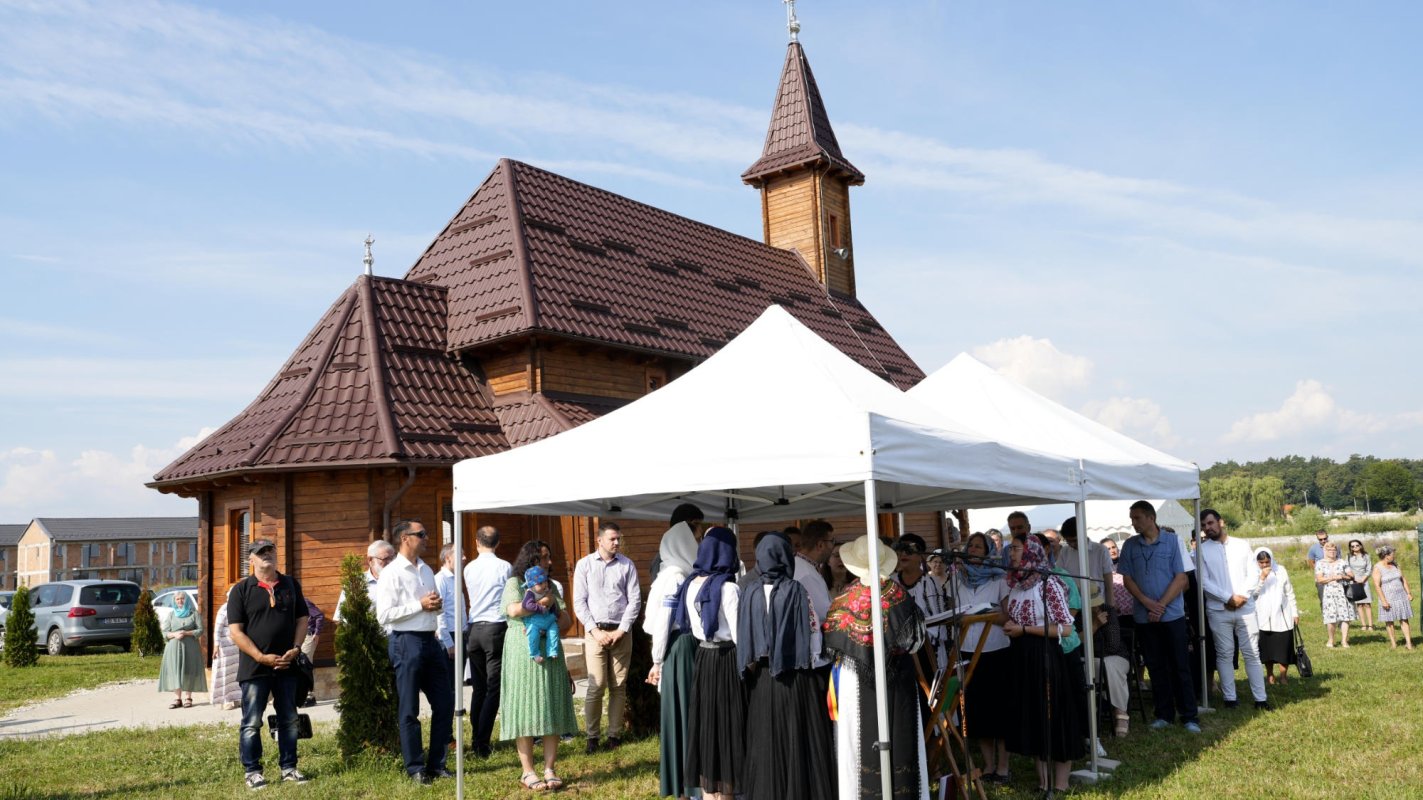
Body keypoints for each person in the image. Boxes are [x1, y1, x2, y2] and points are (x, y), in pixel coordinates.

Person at [823, 534, 928, 800]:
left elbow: (831, 642)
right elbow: (916, 640)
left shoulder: (844, 599)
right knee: (901, 739)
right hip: (897, 676)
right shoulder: (900, 596)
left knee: (856, 745)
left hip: (854, 677)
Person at [738, 531, 833, 800]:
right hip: (796, 677)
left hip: (763, 679)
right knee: (798, 740)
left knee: (767, 740)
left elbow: (744, 637)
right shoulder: (795, 590)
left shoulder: (750, 592)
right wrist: (817, 662)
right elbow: (812, 634)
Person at [1002, 537, 1084, 796]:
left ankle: (1060, 784)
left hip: (1045, 654)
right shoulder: (1015, 584)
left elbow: (1066, 626)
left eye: (1016, 548)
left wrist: (1025, 629)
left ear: (1030, 552)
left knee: (1054, 714)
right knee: (1033, 714)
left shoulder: (1049, 584)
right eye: (1011, 548)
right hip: (1021, 654)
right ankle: (1043, 782)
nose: (1011, 552)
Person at [375, 520, 455, 784]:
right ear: (405, 539)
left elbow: (429, 607)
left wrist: (435, 606)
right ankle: (415, 768)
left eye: (425, 533)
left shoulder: (427, 569)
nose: (427, 537)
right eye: (421, 534)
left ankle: (437, 764)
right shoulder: (391, 572)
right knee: (409, 708)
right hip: (405, 642)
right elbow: (383, 615)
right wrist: (419, 605)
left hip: (430, 641)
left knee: (445, 704)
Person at [227, 538, 310, 789]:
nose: (267, 556)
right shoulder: (241, 590)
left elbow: (303, 619)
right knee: (252, 722)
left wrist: (296, 649)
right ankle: (253, 771)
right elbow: (236, 632)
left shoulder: (290, 585)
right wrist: (260, 657)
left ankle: (289, 768)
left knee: (289, 719)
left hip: (287, 666)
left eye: (271, 552)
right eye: (261, 553)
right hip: (255, 668)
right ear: (250, 560)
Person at [501, 540, 577, 791]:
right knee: (524, 707)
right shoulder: (514, 583)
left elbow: (566, 620)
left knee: (551, 706)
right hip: (522, 654)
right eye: (545, 557)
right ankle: (527, 771)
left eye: (549, 556)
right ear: (532, 559)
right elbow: (512, 610)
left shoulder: (553, 586)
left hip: (551, 653)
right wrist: (537, 602)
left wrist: (553, 604)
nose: (550, 562)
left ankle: (550, 768)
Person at [1117, 501, 1199, 733]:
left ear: (1151, 518)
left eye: (1137, 518)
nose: (1133, 523)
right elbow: (1127, 579)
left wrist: (1160, 605)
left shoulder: (1173, 541)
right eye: (1132, 518)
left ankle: (1189, 716)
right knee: (1155, 665)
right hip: (1144, 617)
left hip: (1171, 615)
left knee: (1180, 664)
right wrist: (1146, 602)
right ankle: (1164, 714)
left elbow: (1182, 579)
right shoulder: (1130, 546)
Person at [678, 527, 745, 800]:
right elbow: (741, 635)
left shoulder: (690, 583)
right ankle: (725, 793)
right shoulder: (728, 588)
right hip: (727, 659)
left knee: (708, 725)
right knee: (727, 727)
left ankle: (709, 794)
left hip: (703, 658)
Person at [573, 521, 642, 753]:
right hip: (595, 632)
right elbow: (579, 602)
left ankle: (614, 735)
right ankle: (592, 737)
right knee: (596, 684)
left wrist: (621, 630)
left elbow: (635, 600)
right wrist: (595, 631)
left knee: (618, 685)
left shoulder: (627, 565)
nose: (616, 543)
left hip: (621, 632)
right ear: (599, 541)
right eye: (612, 539)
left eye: (618, 539)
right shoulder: (584, 565)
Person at [644, 519, 701, 800]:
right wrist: (657, 661)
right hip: (680, 648)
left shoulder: (670, 573)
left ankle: (684, 784)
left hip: (677, 649)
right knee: (684, 714)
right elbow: (664, 622)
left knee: (680, 714)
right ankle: (687, 786)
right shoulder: (677, 576)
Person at [949, 532, 1011, 783]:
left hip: (995, 650)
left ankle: (1004, 767)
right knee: (977, 711)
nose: (973, 549)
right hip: (966, 649)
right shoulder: (957, 579)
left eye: (978, 546)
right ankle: (987, 766)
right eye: (970, 545)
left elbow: (1007, 616)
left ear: (987, 551)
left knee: (1000, 711)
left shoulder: (1000, 578)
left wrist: (979, 617)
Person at [1198, 509, 1269, 710]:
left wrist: (1242, 596)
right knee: (1224, 653)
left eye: (1210, 523)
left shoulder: (1241, 545)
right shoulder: (1201, 550)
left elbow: (1254, 573)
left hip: (1245, 607)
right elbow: (1203, 581)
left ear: (1221, 522)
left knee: (1252, 653)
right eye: (1203, 525)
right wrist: (1227, 598)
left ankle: (1261, 699)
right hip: (1218, 609)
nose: (1207, 528)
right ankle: (1230, 699)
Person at [463, 525, 511, 759]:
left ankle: (476, 738)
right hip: (495, 626)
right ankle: (481, 742)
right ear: (498, 543)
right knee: (494, 687)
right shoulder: (504, 567)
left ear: (476, 542)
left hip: (474, 628)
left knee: (479, 688)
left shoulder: (469, 568)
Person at [1252, 547, 1299, 684]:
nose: (1265, 565)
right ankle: (1270, 675)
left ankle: (1283, 676)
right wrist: (1261, 578)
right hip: (1263, 618)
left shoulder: (1281, 570)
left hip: (1282, 616)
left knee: (1284, 648)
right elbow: (1252, 594)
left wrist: (1295, 612)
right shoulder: (1253, 573)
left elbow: (1289, 592)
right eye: (1262, 563)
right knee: (1267, 650)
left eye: (1267, 562)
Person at [794, 519, 835, 673]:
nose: (832, 547)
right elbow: (824, 613)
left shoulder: (803, 566)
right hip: (813, 655)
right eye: (832, 541)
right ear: (820, 544)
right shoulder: (806, 573)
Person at [158, 590, 206, 709]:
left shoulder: (194, 614)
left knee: (188, 670)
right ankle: (177, 699)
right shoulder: (171, 615)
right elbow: (164, 632)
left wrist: (186, 632)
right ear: (175, 601)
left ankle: (188, 697)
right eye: (177, 599)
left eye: (182, 599)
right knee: (175, 671)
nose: (180, 601)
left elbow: (200, 630)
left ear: (186, 600)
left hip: (190, 647)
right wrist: (174, 635)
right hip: (173, 648)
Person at [335, 539, 395, 625]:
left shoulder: (402, 580)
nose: (390, 563)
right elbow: (341, 617)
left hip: (399, 636)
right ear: (370, 560)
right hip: (369, 636)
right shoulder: (355, 583)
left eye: (392, 558)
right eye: (385, 559)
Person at [1372, 545, 1413, 650]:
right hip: (1387, 597)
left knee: (1404, 619)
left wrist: (1408, 593)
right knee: (1389, 621)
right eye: (1392, 554)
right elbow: (1377, 585)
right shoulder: (1378, 568)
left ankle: (1408, 643)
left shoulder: (1395, 565)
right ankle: (1393, 643)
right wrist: (1383, 601)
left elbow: (1403, 579)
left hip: (1401, 596)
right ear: (1386, 555)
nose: (1394, 556)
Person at [1315, 542, 1355, 648]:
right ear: (1325, 551)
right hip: (1329, 592)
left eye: (1334, 550)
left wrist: (1342, 576)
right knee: (1331, 617)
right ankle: (1331, 640)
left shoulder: (1342, 562)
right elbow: (1319, 579)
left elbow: (1351, 575)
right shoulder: (1320, 563)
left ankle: (1344, 640)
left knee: (1345, 616)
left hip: (1343, 591)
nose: (1332, 552)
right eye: (1329, 550)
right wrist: (1332, 578)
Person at [520, 566, 561, 663]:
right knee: (533, 636)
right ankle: (535, 654)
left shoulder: (547, 591)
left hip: (549, 619)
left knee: (554, 632)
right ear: (531, 585)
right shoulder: (530, 593)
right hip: (535, 621)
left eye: (545, 582)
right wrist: (540, 609)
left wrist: (554, 614)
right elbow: (526, 605)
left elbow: (552, 604)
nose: (544, 585)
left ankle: (552, 651)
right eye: (540, 583)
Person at [210, 588, 242, 710]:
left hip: (236, 648)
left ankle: (236, 698)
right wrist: (216, 646)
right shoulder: (224, 609)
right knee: (225, 674)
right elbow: (217, 629)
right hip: (225, 648)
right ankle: (225, 700)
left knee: (235, 674)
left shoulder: (239, 609)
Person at [1345, 539, 1375, 631]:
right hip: (1354, 581)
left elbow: (1369, 569)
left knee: (1367, 604)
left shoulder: (1366, 556)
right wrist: (1354, 578)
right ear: (1350, 548)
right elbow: (1346, 568)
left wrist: (1363, 579)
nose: (1355, 547)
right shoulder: (1348, 556)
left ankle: (1370, 625)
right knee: (1359, 604)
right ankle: (1363, 625)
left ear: (1360, 546)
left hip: (1364, 581)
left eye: (1357, 545)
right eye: (1352, 546)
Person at [1305, 529, 1330, 609]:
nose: (1323, 541)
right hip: (1321, 578)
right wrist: (1318, 573)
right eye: (1320, 539)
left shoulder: (1335, 546)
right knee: (1323, 598)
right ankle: (1326, 618)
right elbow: (1311, 562)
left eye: (1325, 538)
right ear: (1317, 539)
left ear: (1327, 536)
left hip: (1333, 576)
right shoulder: (1313, 548)